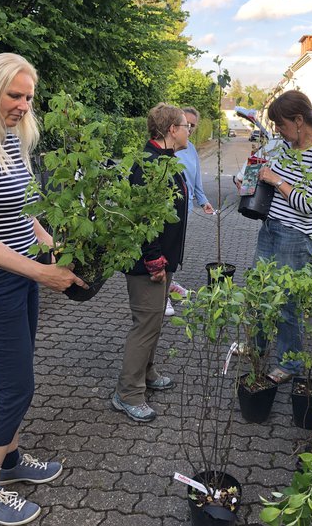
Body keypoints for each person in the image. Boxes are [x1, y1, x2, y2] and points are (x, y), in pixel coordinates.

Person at [0, 52, 87, 525]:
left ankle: (8, 463)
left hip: (22, 277)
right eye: (14, 95)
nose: (24, 105)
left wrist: (49, 242)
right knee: (16, 387)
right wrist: (39, 272)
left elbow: (23, 207)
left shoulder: (11, 141)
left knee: (18, 375)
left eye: (29, 96)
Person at [253, 91, 312, 383]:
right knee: (260, 291)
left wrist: (276, 180)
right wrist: (257, 175)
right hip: (270, 227)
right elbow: (271, 176)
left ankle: (289, 365)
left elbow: (308, 203)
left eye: (281, 124)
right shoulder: (288, 147)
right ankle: (257, 347)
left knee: (287, 303)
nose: (278, 130)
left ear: (299, 120)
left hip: (296, 237)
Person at [112, 103, 189, 422]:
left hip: (161, 259)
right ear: (172, 130)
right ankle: (128, 393)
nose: (189, 131)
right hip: (148, 263)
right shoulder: (149, 164)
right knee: (145, 325)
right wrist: (155, 258)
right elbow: (142, 216)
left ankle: (147, 372)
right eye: (187, 126)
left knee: (154, 322)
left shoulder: (165, 160)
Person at [166, 106, 214, 316]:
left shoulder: (191, 148)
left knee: (175, 249)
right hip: (168, 208)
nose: (191, 129)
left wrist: (203, 200)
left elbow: (196, 178)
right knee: (164, 248)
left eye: (194, 125)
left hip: (185, 208)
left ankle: (169, 283)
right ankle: (162, 296)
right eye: (188, 124)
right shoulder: (167, 149)